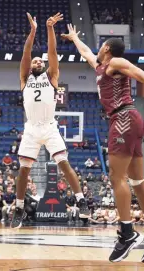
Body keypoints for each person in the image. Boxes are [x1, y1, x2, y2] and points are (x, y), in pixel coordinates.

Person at [62, 24, 144, 263]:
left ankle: (127, 233)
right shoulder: (101, 66)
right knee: (138, 181)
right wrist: (76, 39)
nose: (97, 49)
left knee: (116, 177)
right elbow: (87, 53)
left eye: (101, 46)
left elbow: (141, 75)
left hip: (122, 119)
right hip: (129, 120)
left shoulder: (116, 62)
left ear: (108, 49)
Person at [11, 13, 89, 229]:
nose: (36, 61)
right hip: (31, 129)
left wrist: (49, 28)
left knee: (64, 163)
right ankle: (19, 207)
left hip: (49, 127)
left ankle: (81, 200)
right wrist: (33, 31)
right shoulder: (24, 79)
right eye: (34, 60)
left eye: (39, 60)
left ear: (44, 65)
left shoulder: (52, 76)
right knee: (24, 169)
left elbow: (52, 52)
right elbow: (26, 52)